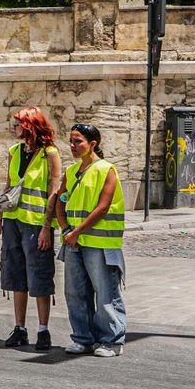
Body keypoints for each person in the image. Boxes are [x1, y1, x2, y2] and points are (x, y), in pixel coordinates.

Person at [0, 107, 63, 351]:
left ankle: (43, 330)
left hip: (36, 224)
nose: (13, 129)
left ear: (30, 126)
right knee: (16, 275)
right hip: (13, 221)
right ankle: (20, 328)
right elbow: (9, 186)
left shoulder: (50, 154)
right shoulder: (14, 151)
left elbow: (53, 190)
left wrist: (47, 226)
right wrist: (0, 218)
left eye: (17, 125)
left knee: (39, 274)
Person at [56, 124, 127, 357]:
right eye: (72, 141)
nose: (73, 146)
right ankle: (83, 338)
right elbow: (60, 200)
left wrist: (76, 232)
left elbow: (103, 207)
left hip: (99, 243)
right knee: (75, 292)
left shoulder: (106, 169)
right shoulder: (71, 171)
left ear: (92, 144)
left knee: (105, 292)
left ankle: (112, 341)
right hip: (74, 241)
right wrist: (66, 228)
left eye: (79, 142)